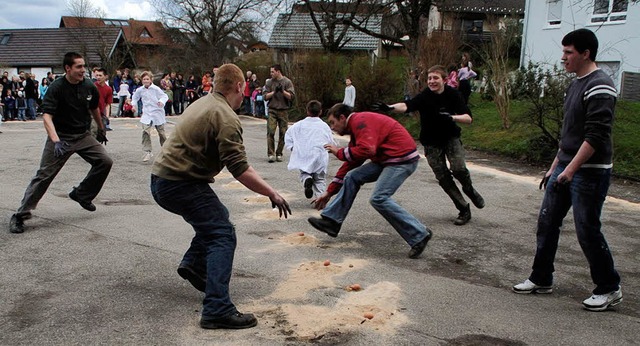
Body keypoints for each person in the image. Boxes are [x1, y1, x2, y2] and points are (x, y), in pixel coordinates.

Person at [150, 63, 291, 330]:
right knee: (222, 234)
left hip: (165, 179)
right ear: (239, 86)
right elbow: (239, 168)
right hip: (179, 182)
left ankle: (194, 265)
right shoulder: (224, 115)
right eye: (244, 87)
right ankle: (217, 308)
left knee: (215, 220)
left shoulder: (204, 102)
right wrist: (272, 192)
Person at [512, 28, 622, 312]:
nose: (563, 58)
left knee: (587, 229)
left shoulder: (601, 86)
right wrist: (554, 168)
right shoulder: (575, 84)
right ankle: (541, 278)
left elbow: (595, 137)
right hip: (566, 165)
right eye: (563, 52)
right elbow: (569, 133)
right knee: (547, 223)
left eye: (568, 52)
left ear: (586, 54)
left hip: (591, 170)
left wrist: (571, 170)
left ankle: (609, 288)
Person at [307, 103, 432, 259]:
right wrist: (329, 192)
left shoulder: (360, 121)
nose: (332, 127)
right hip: (388, 159)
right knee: (353, 176)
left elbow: (367, 150)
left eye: (333, 122)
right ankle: (332, 221)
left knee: (379, 198)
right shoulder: (356, 126)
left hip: (401, 160)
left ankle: (419, 234)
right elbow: (352, 163)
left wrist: (339, 152)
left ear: (342, 117)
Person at [9, 52, 111, 234]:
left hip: (82, 135)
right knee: (44, 175)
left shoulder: (88, 85)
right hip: (61, 137)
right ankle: (20, 214)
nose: (83, 70)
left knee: (105, 161)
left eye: (83, 66)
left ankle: (82, 194)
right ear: (68, 68)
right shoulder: (56, 88)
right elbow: (47, 116)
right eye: (79, 67)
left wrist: (101, 128)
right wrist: (55, 140)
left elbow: (94, 107)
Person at [372, 65, 485, 226]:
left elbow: (468, 118)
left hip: (450, 138)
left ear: (444, 80)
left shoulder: (453, 95)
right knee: (443, 178)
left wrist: (452, 117)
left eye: (435, 78)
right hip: (431, 142)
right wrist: (389, 107)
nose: (432, 81)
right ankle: (463, 208)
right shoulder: (425, 96)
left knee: (458, 168)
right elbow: (407, 105)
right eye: (429, 78)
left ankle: (469, 190)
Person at [284, 100, 336, 199]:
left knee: (304, 172)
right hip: (319, 155)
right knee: (320, 179)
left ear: (307, 111)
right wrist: (331, 148)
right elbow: (330, 141)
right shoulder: (324, 126)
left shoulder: (298, 125)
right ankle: (320, 198)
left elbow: (288, 135)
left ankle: (307, 179)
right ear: (320, 112)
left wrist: (292, 147)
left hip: (304, 154)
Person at [132, 71, 168, 162]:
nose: (146, 81)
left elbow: (164, 96)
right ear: (141, 80)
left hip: (157, 112)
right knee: (145, 132)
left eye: (147, 79)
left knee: (161, 133)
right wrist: (133, 105)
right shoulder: (140, 90)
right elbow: (135, 97)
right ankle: (147, 151)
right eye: (144, 79)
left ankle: (166, 151)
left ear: (151, 80)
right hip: (147, 113)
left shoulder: (156, 89)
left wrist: (161, 102)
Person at [264, 64, 295, 163]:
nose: (271, 74)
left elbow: (291, 97)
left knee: (283, 133)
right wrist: (274, 92)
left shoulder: (287, 82)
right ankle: (271, 154)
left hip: (283, 110)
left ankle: (279, 153)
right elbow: (265, 96)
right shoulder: (269, 82)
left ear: (278, 71)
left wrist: (282, 91)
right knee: (271, 131)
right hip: (272, 109)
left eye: (273, 72)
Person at [93, 68, 113, 133]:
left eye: (100, 75)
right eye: (97, 75)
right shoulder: (92, 86)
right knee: (93, 130)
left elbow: (108, 104)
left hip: (101, 114)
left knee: (101, 133)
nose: (98, 77)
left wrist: (107, 117)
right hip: (92, 113)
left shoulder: (108, 89)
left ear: (105, 76)